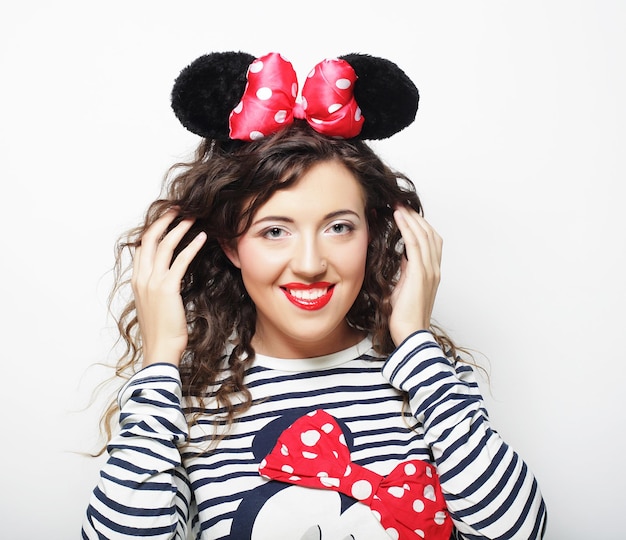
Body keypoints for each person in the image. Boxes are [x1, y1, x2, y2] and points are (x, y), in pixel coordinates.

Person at [82, 51, 547, 539]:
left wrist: (414, 340)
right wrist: (159, 364)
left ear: (375, 234)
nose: (308, 263)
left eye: (339, 227)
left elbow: (516, 532)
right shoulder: (188, 401)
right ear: (231, 245)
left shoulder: (428, 377)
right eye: (274, 231)